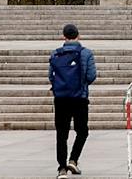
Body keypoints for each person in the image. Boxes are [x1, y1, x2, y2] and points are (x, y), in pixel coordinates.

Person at [49, 22, 97, 178]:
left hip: (61, 99)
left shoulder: (55, 53)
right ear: (78, 35)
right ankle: (73, 159)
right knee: (82, 131)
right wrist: (81, 85)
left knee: (61, 134)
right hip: (79, 98)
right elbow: (91, 76)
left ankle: (62, 168)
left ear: (63, 36)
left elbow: (51, 76)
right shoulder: (86, 53)